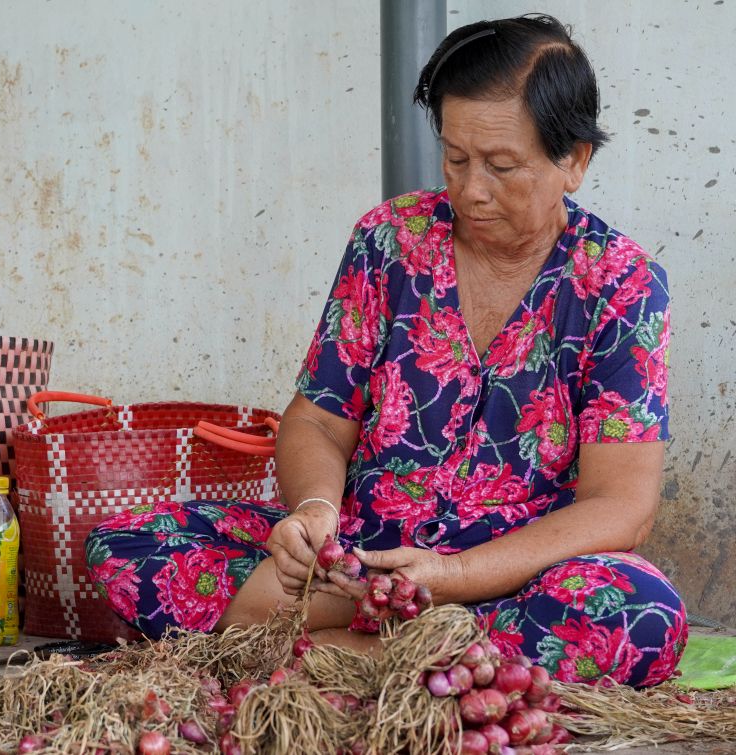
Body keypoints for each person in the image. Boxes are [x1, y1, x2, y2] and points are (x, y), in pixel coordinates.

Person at [85, 14, 685, 687]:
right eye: (455, 158)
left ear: (574, 160)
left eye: (502, 165)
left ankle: (335, 652)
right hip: (358, 561)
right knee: (126, 545)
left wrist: (453, 576)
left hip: (505, 582)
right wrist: (316, 511)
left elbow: (621, 506)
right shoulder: (390, 242)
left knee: (642, 612)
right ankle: (418, 657)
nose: (471, 188)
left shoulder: (619, 281)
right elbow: (316, 420)